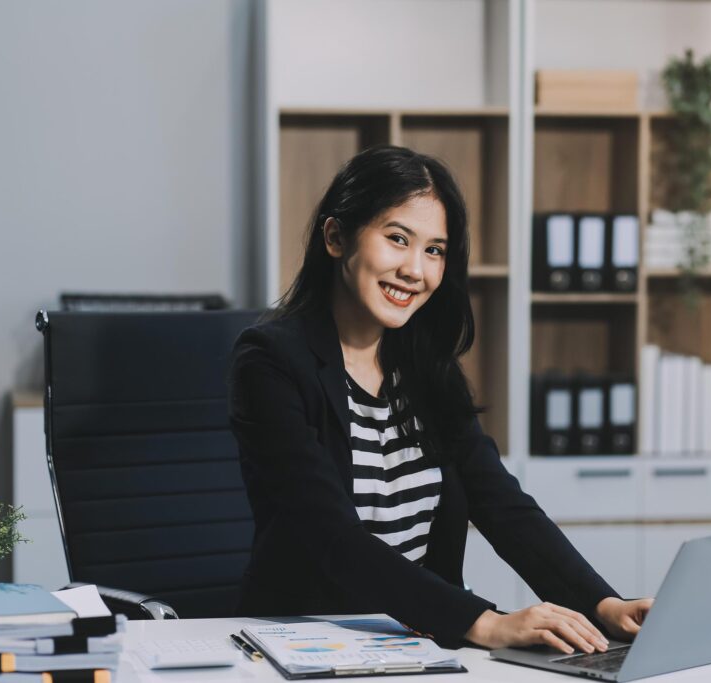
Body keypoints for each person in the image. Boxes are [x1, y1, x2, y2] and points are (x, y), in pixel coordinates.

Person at [229, 145, 653, 652]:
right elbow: (332, 537)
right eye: (397, 239)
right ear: (336, 237)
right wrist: (485, 622)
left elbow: (502, 503)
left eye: (434, 250)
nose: (415, 269)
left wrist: (603, 605)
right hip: (311, 641)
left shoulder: (425, 368)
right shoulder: (271, 361)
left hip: (419, 639)